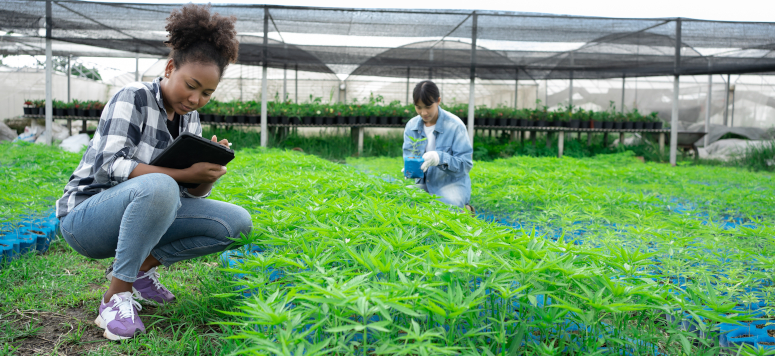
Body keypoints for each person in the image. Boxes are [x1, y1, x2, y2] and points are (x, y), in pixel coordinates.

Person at [55, 4, 250, 341]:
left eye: (207, 93)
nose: (195, 99)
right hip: (86, 219)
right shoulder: (133, 97)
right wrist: (179, 174)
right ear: (170, 67)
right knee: (159, 185)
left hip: (147, 209)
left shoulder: (190, 119)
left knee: (236, 224)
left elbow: (186, 195)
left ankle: (140, 270)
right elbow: (110, 165)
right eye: (191, 85)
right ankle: (115, 297)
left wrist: (203, 177)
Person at [402, 80, 474, 213]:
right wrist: (409, 168)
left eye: (428, 107)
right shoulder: (411, 127)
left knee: (444, 209)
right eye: (418, 107)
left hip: (451, 183)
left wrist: (440, 158)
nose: (423, 112)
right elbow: (408, 154)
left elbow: (465, 164)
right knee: (401, 204)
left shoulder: (455, 125)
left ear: (438, 101)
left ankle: (467, 210)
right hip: (423, 184)